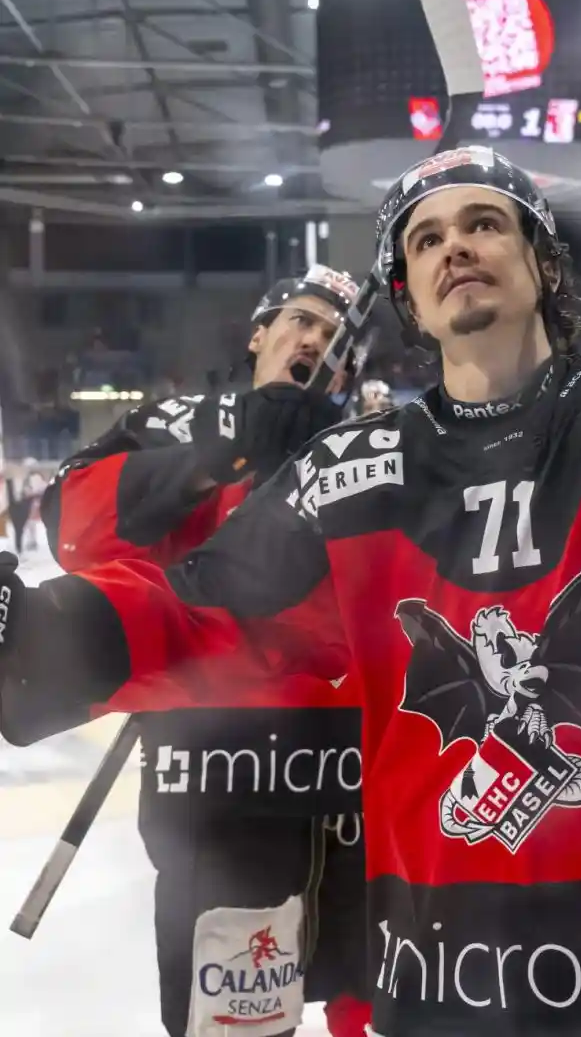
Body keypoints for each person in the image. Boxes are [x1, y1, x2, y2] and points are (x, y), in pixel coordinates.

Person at [0, 146, 581, 1037]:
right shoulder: (349, 473)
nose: (455, 246)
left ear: (541, 262)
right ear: (409, 300)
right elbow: (203, 615)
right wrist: (32, 634)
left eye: (484, 223)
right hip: (450, 969)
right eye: (425, 239)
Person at [33, 265, 372, 1037]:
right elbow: (72, 526)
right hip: (227, 775)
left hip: (355, 771)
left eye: (335, 337)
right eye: (302, 320)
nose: (316, 340)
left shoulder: (369, 448)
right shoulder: (183, 421)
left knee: (376, 1004)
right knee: (235, 1025)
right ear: (259, 333)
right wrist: (227, 449)